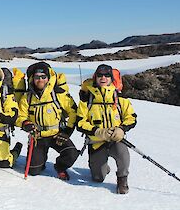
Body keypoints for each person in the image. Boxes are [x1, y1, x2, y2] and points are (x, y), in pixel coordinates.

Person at [76, 64, 137, 194]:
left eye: (107, 75)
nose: (103, 78)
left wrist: (121, 129)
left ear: (111, 78)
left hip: (116, 139)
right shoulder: (87, 99)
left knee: (123, 155)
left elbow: (131, 118)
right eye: (100, 75)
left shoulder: (120, 98)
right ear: (95, 77)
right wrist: (97, 131)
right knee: (98, 178)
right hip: (96, 142)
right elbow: (80, 123)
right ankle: (102, 168)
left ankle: (122, 179)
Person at [17, 62, 79, 180]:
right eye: (37, 77)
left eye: (43, 77)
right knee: (33, 171)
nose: (40, 80)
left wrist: (67, 131)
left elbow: (73, 111)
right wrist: (25, 123)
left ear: (48, 78)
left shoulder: (57, 94)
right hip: (37, 136)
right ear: (32, 78)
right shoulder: (27, 97)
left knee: (71, 154)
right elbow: (21, 115)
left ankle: (60, 167)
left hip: (57, 134)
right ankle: (40, 161)